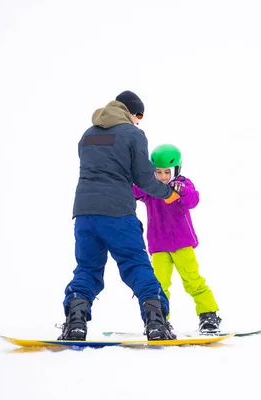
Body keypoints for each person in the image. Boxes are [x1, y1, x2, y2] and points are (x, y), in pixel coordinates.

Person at [58, 91, 180, 341]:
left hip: (84, 213)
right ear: (130, 112)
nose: (138, 121)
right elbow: (145, 179)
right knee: (136, 264)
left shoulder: (88, 135)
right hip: (118, 214)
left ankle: (76, 322)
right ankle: (156, 322)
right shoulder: (134, 134)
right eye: (139, 115)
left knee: (87, 268)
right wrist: (167, 193)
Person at [132, 144, 222, 334]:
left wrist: (182, 191)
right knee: (159, 284)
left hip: (182, 245)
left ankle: (208, 315)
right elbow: (134, 191)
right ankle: (159, 319)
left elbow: (194, 200)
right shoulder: (151, 188)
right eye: (158, 172)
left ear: (177, 169)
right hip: (158, 247)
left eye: (167, 172)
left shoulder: (183, 184)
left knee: (192, 280)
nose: (163, 176)